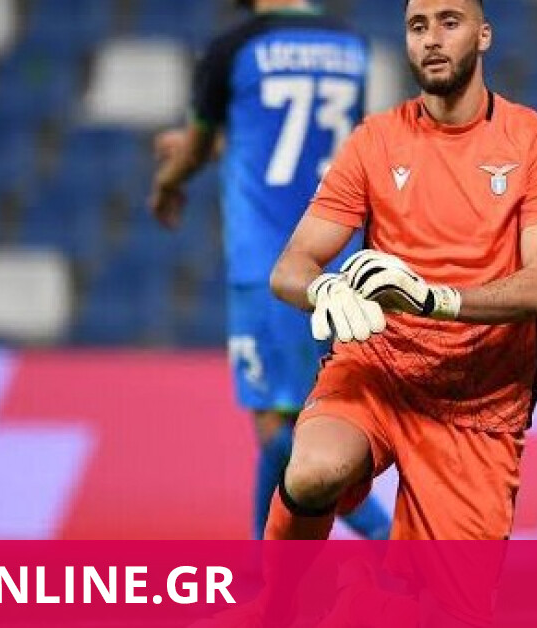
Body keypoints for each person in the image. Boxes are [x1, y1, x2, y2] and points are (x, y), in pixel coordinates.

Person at [266, 0, 537, 543]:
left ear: (483, 36)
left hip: (478, 399)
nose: (431, 38)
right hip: (378, 367)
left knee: (436, 597)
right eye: (418, 27)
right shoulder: (374, 140)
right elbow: (290, 268)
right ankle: (278, 593)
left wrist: (434, 299)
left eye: (449, 22)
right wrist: (326, 288)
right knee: (314, 469)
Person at [149, 0, 390, 540]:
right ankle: (269, 573)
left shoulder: (232, 49)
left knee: (282, 431)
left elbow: (197, 152)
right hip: (338, 260)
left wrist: (168, 180)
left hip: (270, 266)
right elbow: (304, 141)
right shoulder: (350, 46)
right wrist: (215, 145)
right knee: (310, 418)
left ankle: (392, 543)